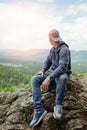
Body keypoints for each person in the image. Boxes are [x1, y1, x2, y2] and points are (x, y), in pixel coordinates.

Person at [29, 29, 71, 128]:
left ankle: (58, 106)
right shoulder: (52, 49)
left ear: (49, 39)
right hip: (51, 74)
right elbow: (47, 62)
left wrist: (49, 77)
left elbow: (63, 67)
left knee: (62, 78)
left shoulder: (64, 49)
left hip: (62, 75)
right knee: (34, 79)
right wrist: (43, 70)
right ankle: (39, 110)